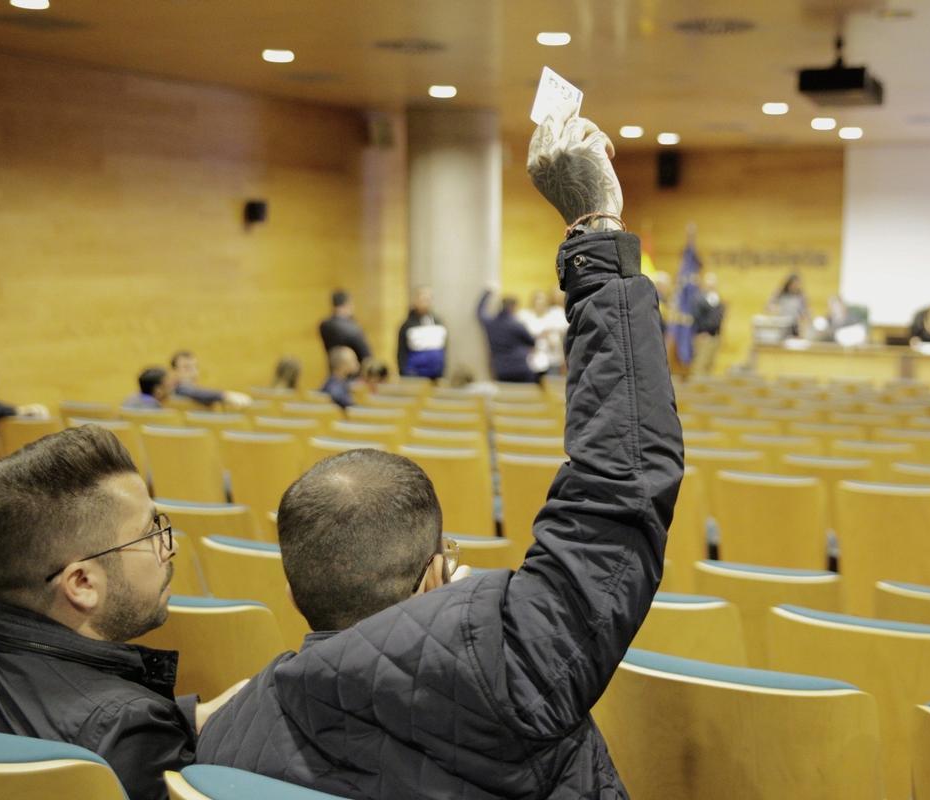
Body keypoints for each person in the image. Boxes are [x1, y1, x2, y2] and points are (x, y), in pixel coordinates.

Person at [196, 108, 683, 798]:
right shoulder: (510, 675)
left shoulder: (222, 738)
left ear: (295, 589)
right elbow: (620, 482)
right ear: (434, 576)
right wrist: (598, 227)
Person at [0, 426, 242, 799]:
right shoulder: (130, 734)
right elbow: (103, 726)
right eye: (150, 534)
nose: (169, 548)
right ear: (82, 583)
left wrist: (187, 717)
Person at [477, 289, 538, 383]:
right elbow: (532, 342)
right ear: (513, 307)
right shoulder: (517, 325)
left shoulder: (491, 324)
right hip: (521, 369)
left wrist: (487, 293)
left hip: (500, 370)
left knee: (506, 396)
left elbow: (479, 312)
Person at [396, 286, 448, 379]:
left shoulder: (438, 321)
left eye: (428, 299)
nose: (425, 302)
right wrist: (404, 373)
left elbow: (444, 347)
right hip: (415, 375)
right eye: (422, 299)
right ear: (416, 300)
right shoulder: (407, 325)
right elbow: (401, 352)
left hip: (436, 374)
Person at [171, 351, 250, 409]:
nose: (193, 372)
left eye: (195, 367)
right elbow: (190, 391)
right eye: (186, 367)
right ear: (174, 371)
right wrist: (226, 395)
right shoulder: (177, 388)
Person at [319, 289, 372, 366]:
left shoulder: (324, 325)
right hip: (352, 371)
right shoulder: (352, 328)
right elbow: (366, 356)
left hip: (334, 370)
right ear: (348, 304)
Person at [692, 272, 725, 376]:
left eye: (713, 283)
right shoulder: (699, 299)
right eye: (709, 282)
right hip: (703, 336)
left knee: (710, 364)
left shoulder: (717, 298)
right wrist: (701, 332)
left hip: (715, 336)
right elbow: (697, 316)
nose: (711, 285)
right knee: (700, 364)